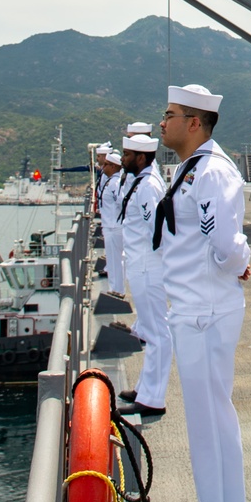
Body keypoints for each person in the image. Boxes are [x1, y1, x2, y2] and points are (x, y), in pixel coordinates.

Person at [154, 83, 251, 502]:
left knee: (213, 426)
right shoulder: (191, 169)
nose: (161, 122)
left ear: (195, 123)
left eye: (169, 114)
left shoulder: (211, 173)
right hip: (194, 309)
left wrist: (240, 262)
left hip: (206, 313)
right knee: (204, 425)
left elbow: (226, 244)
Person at [116, 132, 169, 414]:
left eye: (126, 155)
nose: (122, 159)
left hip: (149, 267)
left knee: (158, 332)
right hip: (140, 267)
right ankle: (145, 388)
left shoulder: (148, 186)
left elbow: (156, 232)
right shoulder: (139, 182)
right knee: (150, 330)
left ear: (140, 157)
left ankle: (153, 399)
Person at [97, 148, 125, 295]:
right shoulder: (111, 182)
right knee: (113, 261)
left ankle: (117, 290)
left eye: (107, 164)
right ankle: (114, 288)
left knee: (115, 261)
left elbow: (121, 203)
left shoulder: (115, 184)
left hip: (114, 227)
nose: (104, 166)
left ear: (114, 166)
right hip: (109, 226)